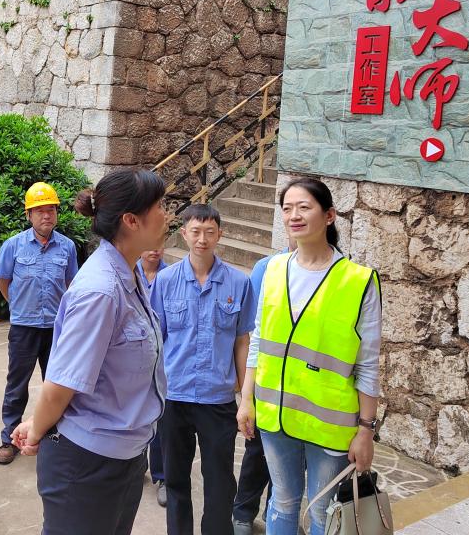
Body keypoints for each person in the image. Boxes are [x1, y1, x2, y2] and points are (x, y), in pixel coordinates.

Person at [12, 168, 168, 535]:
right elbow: (60, 386)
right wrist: (37, 430)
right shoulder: (101, 290)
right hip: (88, 466)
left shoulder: (130, 274)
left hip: (125, 455)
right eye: (160, 206)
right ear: (131, 220)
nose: (167, 214)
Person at [237, 178, 381, 535]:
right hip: (275, 416)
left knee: (322, 512)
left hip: (329, 424)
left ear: (329, 215)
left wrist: (366, 430)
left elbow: (368, 364)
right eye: (287, 209)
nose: (294, 216)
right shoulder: (272, 269)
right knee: (282, 504)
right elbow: (258, 341)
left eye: (304, 207)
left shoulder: (359, 281)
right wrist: (246, 399)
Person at [151, 204, 255, 535]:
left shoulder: (239, 283)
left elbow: (242, 342)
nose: (202, 239)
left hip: (218, 399)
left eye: (210, 232)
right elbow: (155, 341)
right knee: (175, 479)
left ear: (220, 234)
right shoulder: (165, 281)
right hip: (175, 397)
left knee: (220, 481)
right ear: (184, 233)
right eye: (195, 232)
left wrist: (246, 398)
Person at [0, 182, 79, 465]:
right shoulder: (13, 246)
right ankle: (9, 438)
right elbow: (3, 282)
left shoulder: (67, 247)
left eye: (51, 210)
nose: (46, 216)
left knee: (56, 385)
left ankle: (53, 435)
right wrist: (19, 305)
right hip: (23, 327)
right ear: (28, 214)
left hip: (56, 328)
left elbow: (71, 284)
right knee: (16, 384)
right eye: (40, 211)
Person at [231, 250, 280, 535]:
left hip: (303, 386)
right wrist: (246, 393)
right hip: (266, 379)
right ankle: (243, 512)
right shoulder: (267, 268)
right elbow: (253, 331)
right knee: (258, 450)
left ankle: (277, 511)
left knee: (293, 460)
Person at [138, 246, 169, 507]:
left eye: (160, 244)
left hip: (163, 359)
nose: (155, 250)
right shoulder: (127, 273)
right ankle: (136, 465)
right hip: (133, 356)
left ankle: (162, 476)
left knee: (160, 418)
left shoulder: (170, 276)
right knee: (135, 413)